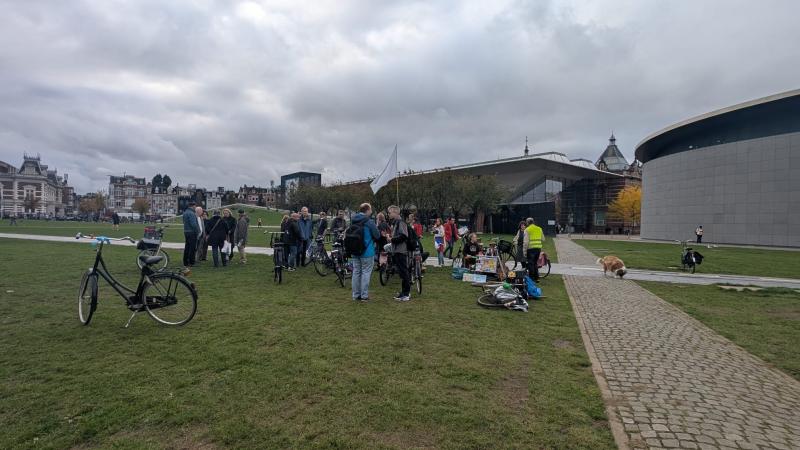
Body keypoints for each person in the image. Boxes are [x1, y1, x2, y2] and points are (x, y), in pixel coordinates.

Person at [350, 203, 380, 302]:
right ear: (367, 210)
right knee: (366, 272)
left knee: (356, 272)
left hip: (355, 250)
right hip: (367, 251)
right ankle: (364, 295)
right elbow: (377, 235)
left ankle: (355, 295)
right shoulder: (369, 221)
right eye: (370, 209)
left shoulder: (353, 220)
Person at [388, 205, 411, 302]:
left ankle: (406, 294)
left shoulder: (401, 222)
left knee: (404, 272)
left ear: (395, 213)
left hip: (400, 251)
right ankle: (403, 292)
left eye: (389, 212)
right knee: (401, 273)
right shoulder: (396, 222)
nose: (388, 214)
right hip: (396, 251)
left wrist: (392, 239)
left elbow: (404, 236)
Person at [182, 203, 200, 273]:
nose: (195, 208)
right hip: (192, 232)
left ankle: (185, 262)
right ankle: (191, 262)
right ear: (193, 206)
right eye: (195, 206)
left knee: (187, 247)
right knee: (192, 247)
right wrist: (197, 231)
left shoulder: (185, 213)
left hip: (186, 231)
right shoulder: (192, 213)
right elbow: (194, 224)